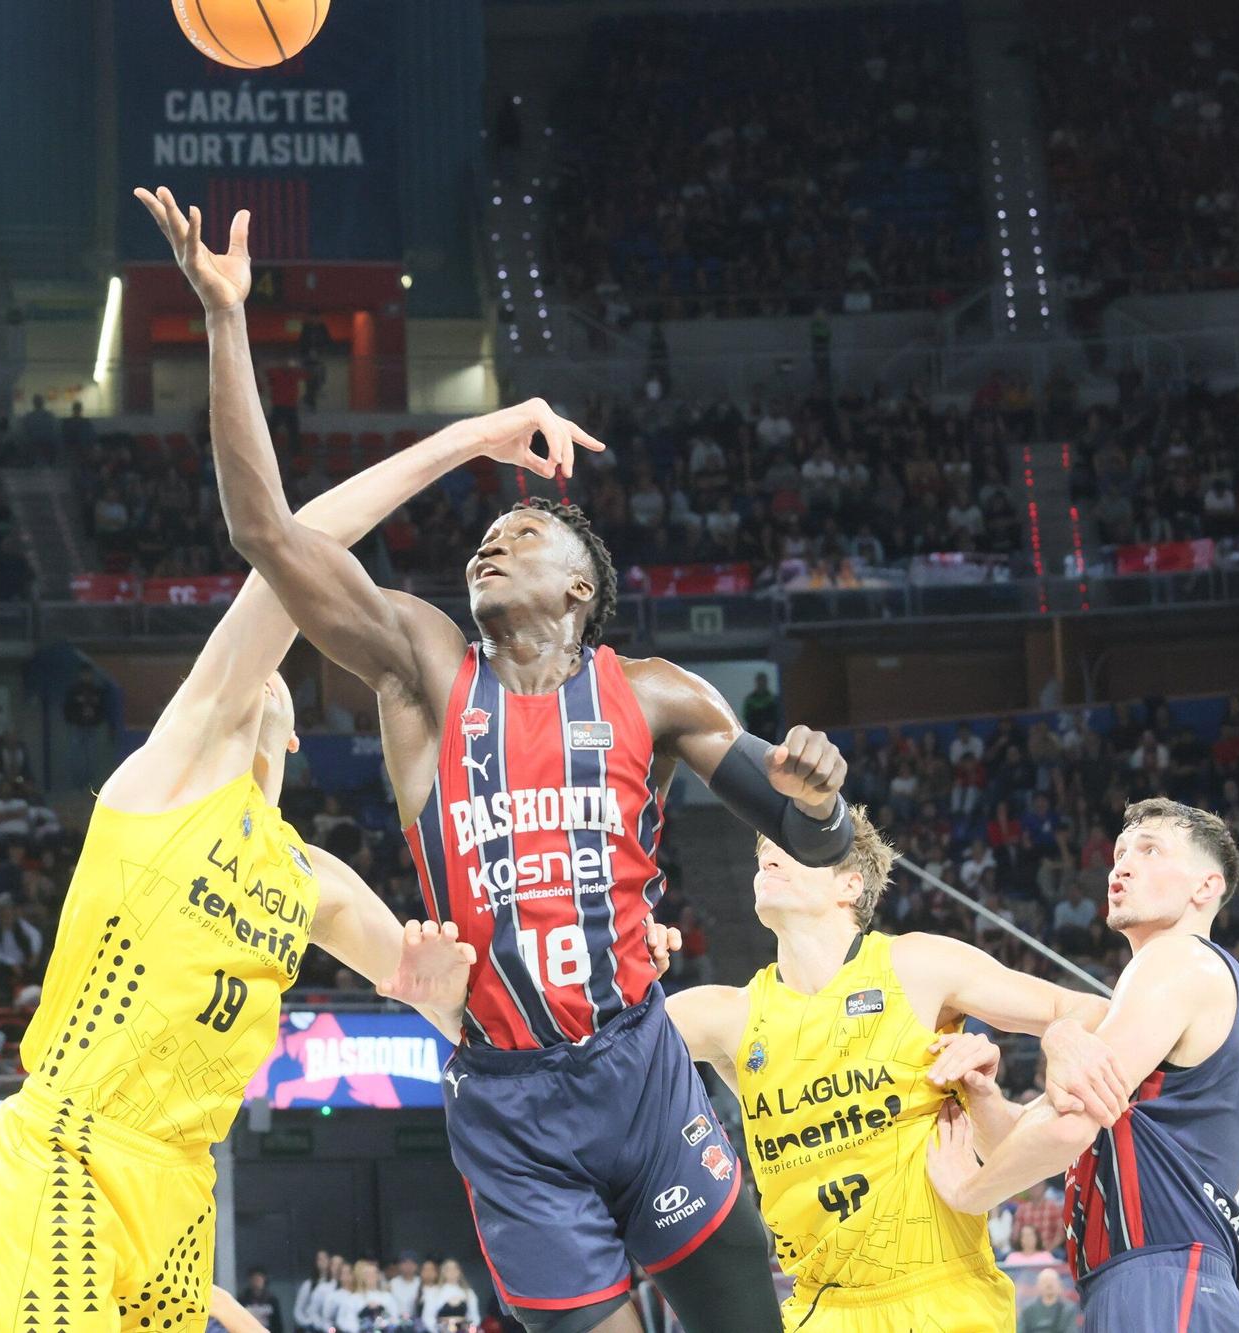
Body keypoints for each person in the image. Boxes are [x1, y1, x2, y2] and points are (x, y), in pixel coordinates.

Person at [137, 184, 859, 1333]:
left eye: (521, 532)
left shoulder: (654, 693)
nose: (491, 539)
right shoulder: (423, 670)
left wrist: (819, 802)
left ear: (579, 586)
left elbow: (820, 843)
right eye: (486, 534)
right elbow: (266, 534)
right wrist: (225, 320)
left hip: (639, 1066)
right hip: (509, 1101)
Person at [0, 378, 572, 1333]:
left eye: (270, 680)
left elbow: (461, 1013)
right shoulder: (160, 783)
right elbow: (298, 551)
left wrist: (443, 988)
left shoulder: (312, 881)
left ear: (289, 732)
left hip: (181, 1183)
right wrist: (470, 438)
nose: (250, 674)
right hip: (70, 1149)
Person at [667, 809, 1119, 1330]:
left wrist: (1061, 1035)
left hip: (944, 1296)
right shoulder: (729, 1014)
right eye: (765, 852)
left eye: (791, 849)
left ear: (849, 884)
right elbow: (601, 1039)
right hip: (820, 1309)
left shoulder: (916, 966)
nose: (768, 858)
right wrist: (636, 961)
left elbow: (1085, 1007)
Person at [926, 799, 1239, 1333]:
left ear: (1206, 887)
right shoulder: (1164, 996)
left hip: (1162, 1276)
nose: (1121, 865)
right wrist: (983, 1098)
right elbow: (1032, 1143)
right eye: (1120, 852)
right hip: (1165, 1280)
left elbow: (1068, 1123)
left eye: (1150, 850)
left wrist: (970, 1193)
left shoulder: (1178, 960)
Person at [419, 1260, 480, 1332]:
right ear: (443, 1272)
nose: (452, 1271)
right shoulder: (434, 1292)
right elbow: (427, 1317)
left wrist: (470, 1330)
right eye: (448, 1269)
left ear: (459, 1271)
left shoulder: (468, 1293)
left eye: (455, 1268)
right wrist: (436, 1331)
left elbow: (474, 1317)